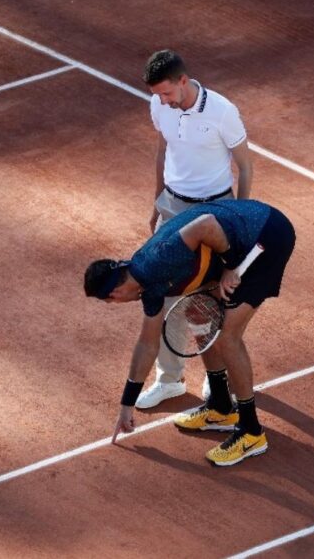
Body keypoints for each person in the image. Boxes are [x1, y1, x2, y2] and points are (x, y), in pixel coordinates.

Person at [84, 199, 295, 466]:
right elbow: (147, 345)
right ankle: (220, 406)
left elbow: (205, 225)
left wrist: (231, 265)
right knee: (198, 312)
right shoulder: (145, 284)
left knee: (229, 337)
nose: (114, 304)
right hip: (241, 235)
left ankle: (251, 432)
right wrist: (127, 404)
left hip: (265, 236)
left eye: (109, 302)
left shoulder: (157, 261)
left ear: (113, 294)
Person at [137, 49, 254, 409]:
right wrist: (158, 201)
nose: (162, 101)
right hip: (173, 207)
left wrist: (239, 219)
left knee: (210, 299)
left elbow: (246, 168)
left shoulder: (222, 112)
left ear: (183, 81)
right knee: (166, 293)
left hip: (213, 212)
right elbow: (162, 151)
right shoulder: (159, 105)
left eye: (167, 93)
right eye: (157, 95)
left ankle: (218, 379)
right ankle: (169, 379)